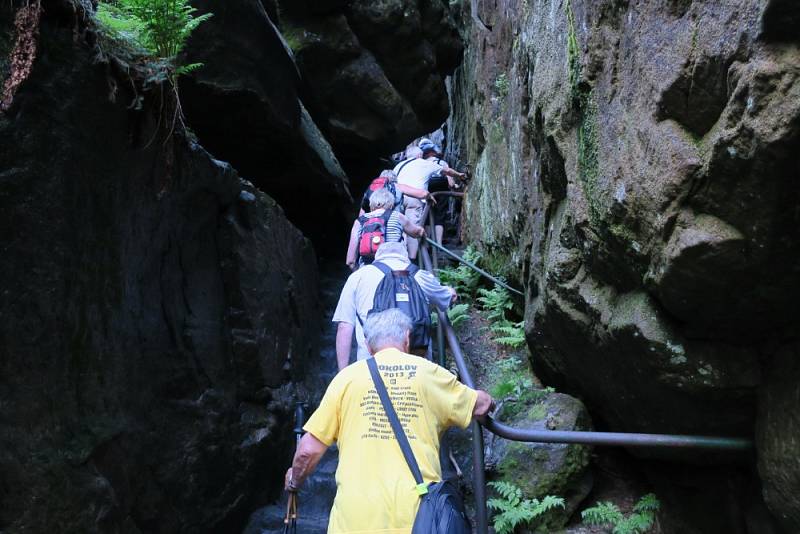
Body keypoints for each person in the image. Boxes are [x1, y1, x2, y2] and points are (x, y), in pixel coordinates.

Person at [284, 308, 495, 533]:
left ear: (366, 344)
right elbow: (479, 405)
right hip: (417, 517)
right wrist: (489, 399)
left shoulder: (345, 379)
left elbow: (307, 451)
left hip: (354, 517)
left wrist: (294, 481)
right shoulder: (429, 373)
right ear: (407, 338)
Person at [334, 242, 456, 370]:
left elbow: (344, 326)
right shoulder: (420, 275)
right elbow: (449, 298)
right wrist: (450, 291)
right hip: (417, 365)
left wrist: (342, 373)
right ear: (406, 256)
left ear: (377, 257)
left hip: (371, 366)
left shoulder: (358, 277)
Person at [393, 146, 465, 259]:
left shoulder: (398, 166)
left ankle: (401, 255)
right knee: (413, 226)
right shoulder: (424, 163)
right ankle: (412, 259)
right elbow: (447, 171)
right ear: (419, 156)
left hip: (397, 198)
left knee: (401, 226)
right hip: (414, 198)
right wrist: (459, 175)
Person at [345, 188, 425, 270]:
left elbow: (350, 261)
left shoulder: (360, 221)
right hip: (396, 267)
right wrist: (422, 231)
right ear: (391, 205)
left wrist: (359, 274)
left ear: (371, 204)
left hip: (368, 268)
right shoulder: (397, 216)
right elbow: (416, 232)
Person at [418, 139, 467, 245]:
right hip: (442, 191)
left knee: (426, 216)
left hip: (426, 191)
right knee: (439, 217)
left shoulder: (421, 164)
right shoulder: (441, 163)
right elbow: (450, 181)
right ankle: (438, 244)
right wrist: (455, 187)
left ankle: (426, 245)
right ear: (433, 151)